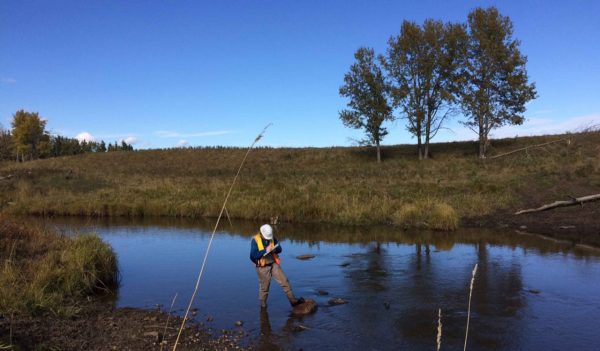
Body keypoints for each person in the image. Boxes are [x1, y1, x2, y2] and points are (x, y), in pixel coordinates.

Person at [250, 224, 304, 309]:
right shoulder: (255, 241)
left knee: (285, 281)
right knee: (265, 288)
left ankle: (293, 301)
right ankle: (263, 306)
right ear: (261, 233)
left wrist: (275, 249)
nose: (268, 238)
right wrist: (265, 250)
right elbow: (252, 256)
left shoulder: (272, 238)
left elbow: (280, 249)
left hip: (273, 264)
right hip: (262, 267)